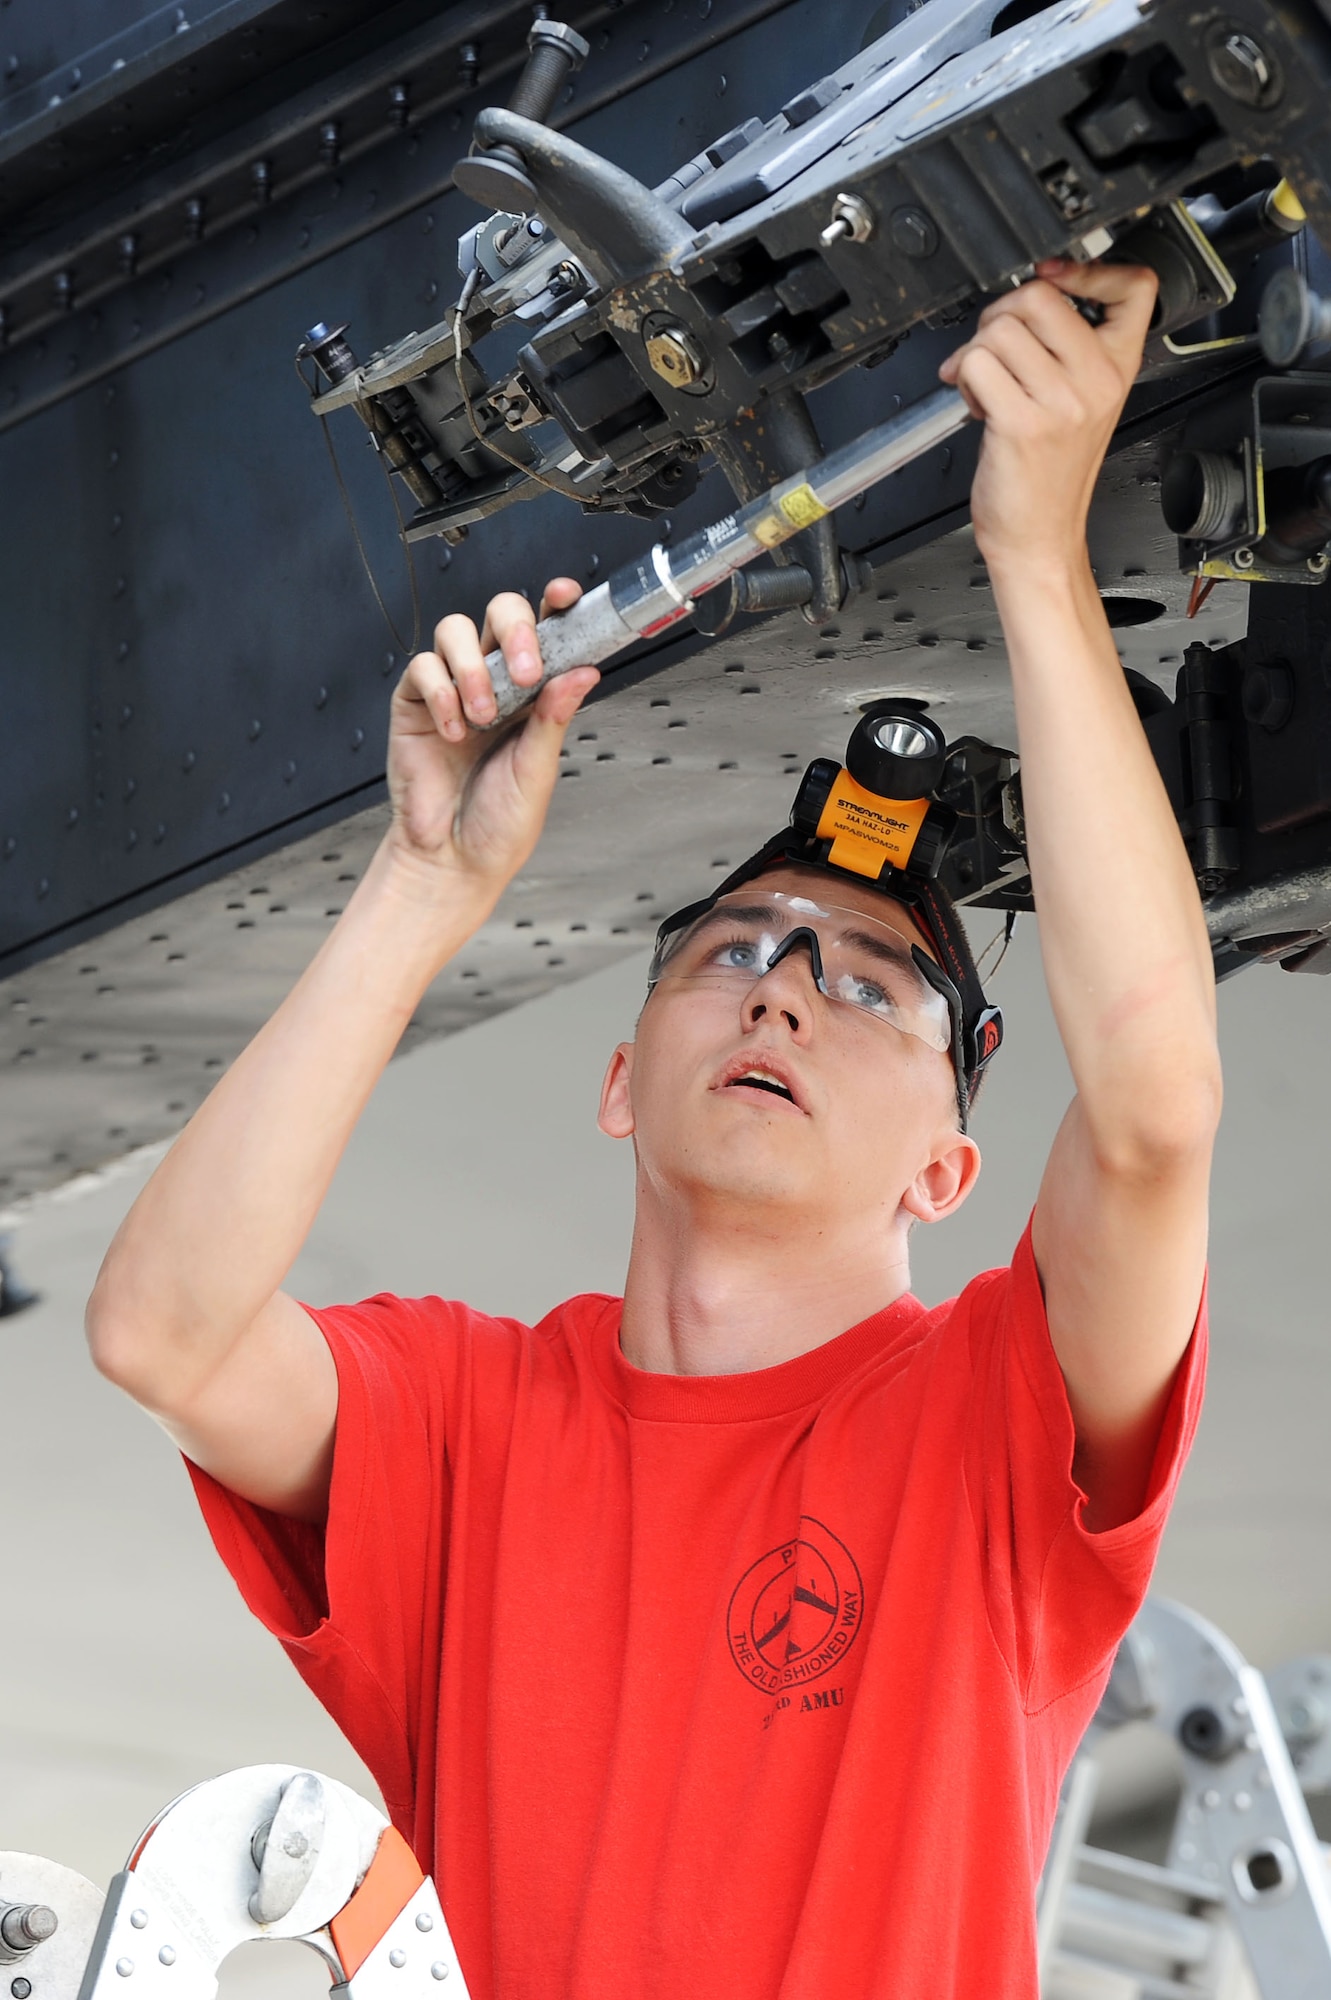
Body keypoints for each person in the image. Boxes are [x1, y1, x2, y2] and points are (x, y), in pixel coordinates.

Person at [86, 258, 1220, 2000]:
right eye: (736, 951)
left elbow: (1152, 1118)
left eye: (868, 985)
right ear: (621, 1080)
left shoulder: (998, 1430)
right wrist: (426, 882)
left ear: (947, 1168)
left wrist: (1036, 552)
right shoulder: (464, 1431)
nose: (782, 991)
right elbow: (165, 1331)